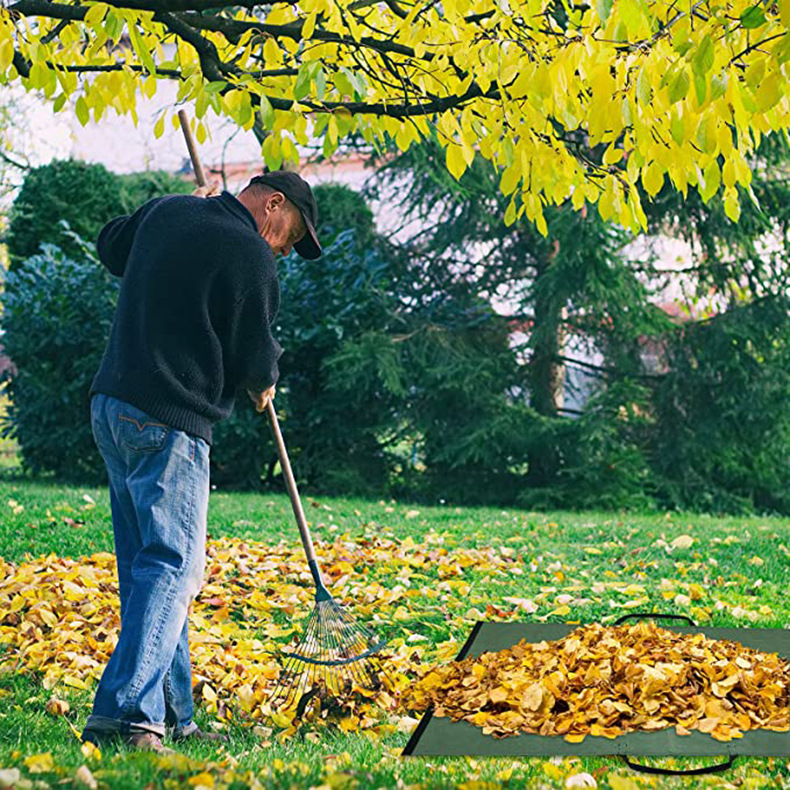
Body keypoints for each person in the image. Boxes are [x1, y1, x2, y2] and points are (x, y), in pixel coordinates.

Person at [80, 171, 321, 754]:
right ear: (273, 203)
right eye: (291, 235)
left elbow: (111, 246)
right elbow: (255, 354)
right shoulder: (250, 254)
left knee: (149, 567)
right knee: (174, 567)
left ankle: (173, 713)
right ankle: (126, 717)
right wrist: (263, 381)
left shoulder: (168, 212)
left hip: (112, 408)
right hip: (169, 420)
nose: (285, 249)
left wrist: (161, 208)